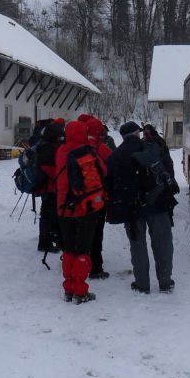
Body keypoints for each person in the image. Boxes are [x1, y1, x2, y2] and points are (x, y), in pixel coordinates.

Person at [106, 121, 178, 295]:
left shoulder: (115, 155)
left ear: (122, 136)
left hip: (133, 208)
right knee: (163, 244)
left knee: (138, 246)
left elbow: (110, 184)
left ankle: (142, 284)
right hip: (158, 204)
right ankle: (165, 281)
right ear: (137, 133)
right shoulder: (153, 149)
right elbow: (169, 170)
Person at [55, 119, 107, 304]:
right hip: (85, 208)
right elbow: (104, 171)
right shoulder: (89, 151)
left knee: (68, 250)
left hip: (63, 209)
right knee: (83, 251)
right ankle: (80, 291)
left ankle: (68, 289)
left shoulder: (60, 151)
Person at [82, 115, 113, 280]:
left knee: (82, 232)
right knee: (96, 232)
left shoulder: (76, 147)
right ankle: (96, 266)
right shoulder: (102, 149)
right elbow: (111, 170)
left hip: (78, 199)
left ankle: (81, 263)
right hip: (98, 198)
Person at [36, 120, 64, 254]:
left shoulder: (48, 145)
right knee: (48, 215)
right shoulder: (48, 148)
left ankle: (47, 240)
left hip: (49, 187)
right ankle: (45, 242)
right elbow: (47, 167)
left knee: (48, 214)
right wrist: (59, 176)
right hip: (50, 187)